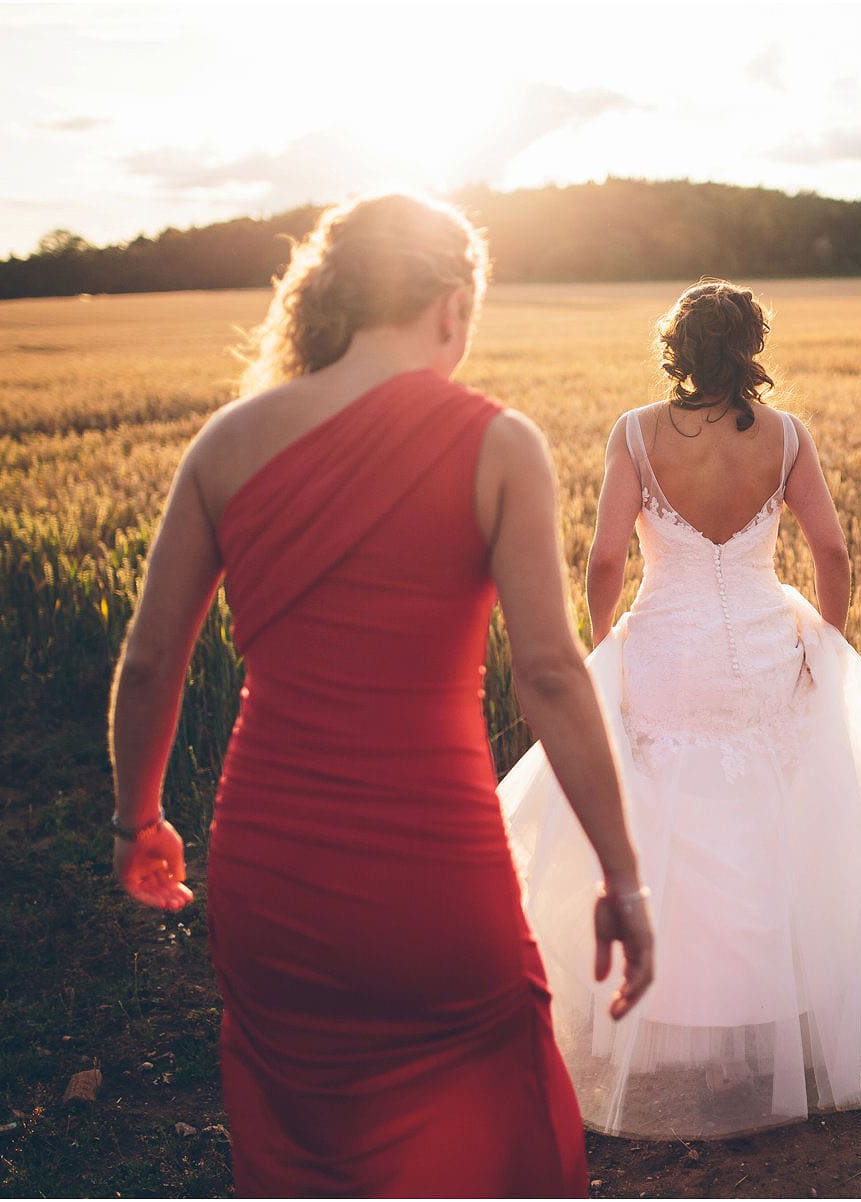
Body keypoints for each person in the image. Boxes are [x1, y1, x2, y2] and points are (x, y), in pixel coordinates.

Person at [105, 192, 653, 1196]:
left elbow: (149, 663)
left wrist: (137, 817)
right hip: (436, 880)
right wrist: (625, 878)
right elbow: (549, 673)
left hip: (270, 865)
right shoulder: (499, 444)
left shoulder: (225, 445)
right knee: (496, 1129)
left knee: (298, 1138)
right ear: (451, 307)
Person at [499, 279, 861, 1140]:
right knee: (764, 829)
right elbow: (831, 552)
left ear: (679, 350)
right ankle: (762, 1028)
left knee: (666, 825)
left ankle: (666, 1019)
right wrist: (824, 645)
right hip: (766, 647)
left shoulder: (637, 433)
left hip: (666, 650)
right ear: (751, 348)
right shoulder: (786, 438)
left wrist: (605, 644)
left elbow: (605, 558)